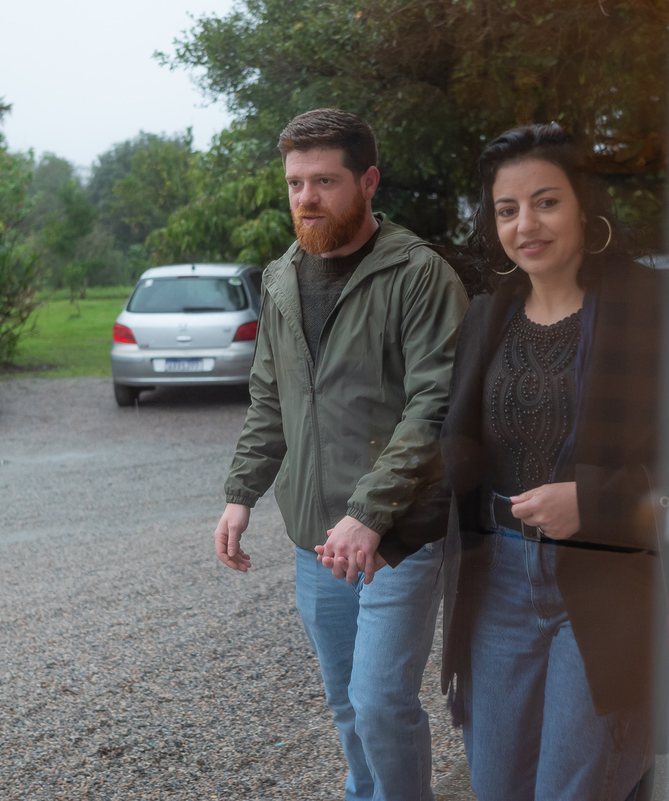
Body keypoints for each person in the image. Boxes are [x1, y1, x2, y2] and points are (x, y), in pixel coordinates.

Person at [214, 108, 469, 801]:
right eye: (296, 182)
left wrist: (369, 512)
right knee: (346, 699)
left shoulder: (419, 274)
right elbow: (271, 396)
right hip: (314, 537)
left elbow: (435, 404)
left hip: (398, 533)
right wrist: (242, 492)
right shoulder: (279, 279)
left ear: (369, 181)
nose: (307, 198)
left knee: (382, 697)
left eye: (324, 180)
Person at [439, 123, 666, 801]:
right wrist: (376, 514)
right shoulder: (486, 318)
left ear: (583, 204)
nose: (525, 225)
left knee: (577, 786)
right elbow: (458, 448)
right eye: (507, 210)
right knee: (498, 783)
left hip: (606, 579)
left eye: (545, 202)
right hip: (498, 580)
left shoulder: (651, 309)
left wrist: (590, 501)